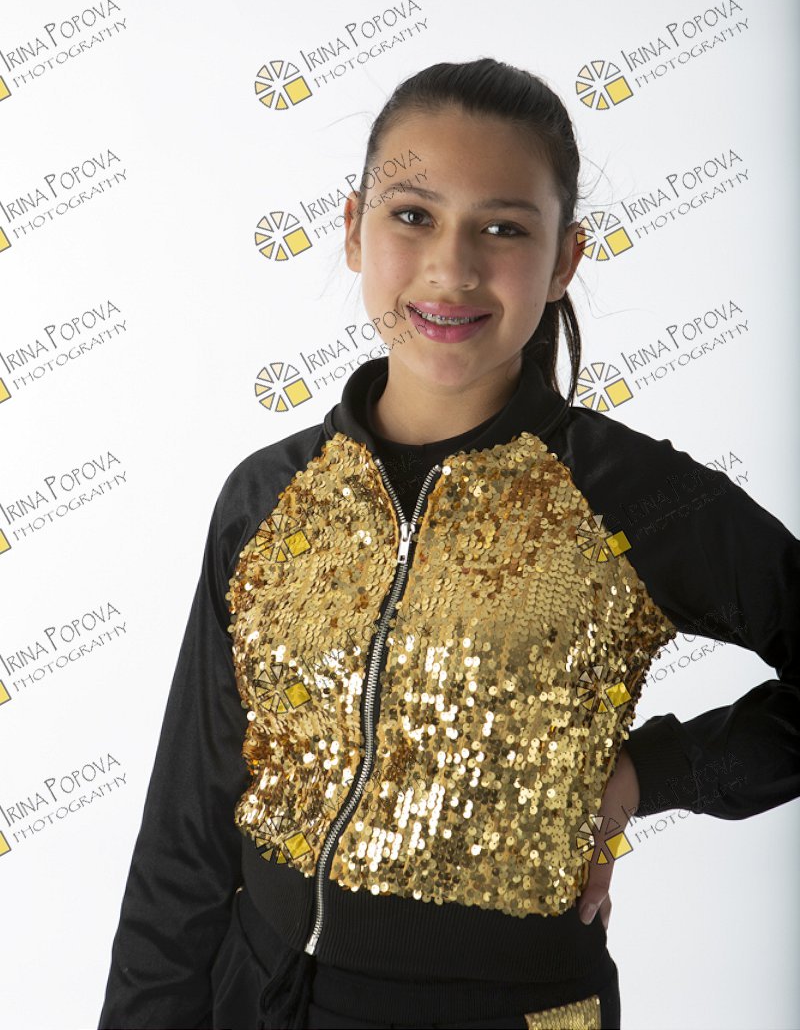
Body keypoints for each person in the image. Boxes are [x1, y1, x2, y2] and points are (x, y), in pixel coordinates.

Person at [97, 59, 800, 1030]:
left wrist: (654, 772)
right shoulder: (266, 496)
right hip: (256, 999)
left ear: (564, 259)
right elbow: (187, 830)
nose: (452, 267)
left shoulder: (628, 495)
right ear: (354, 229)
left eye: (502, 228)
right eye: (413, 215)